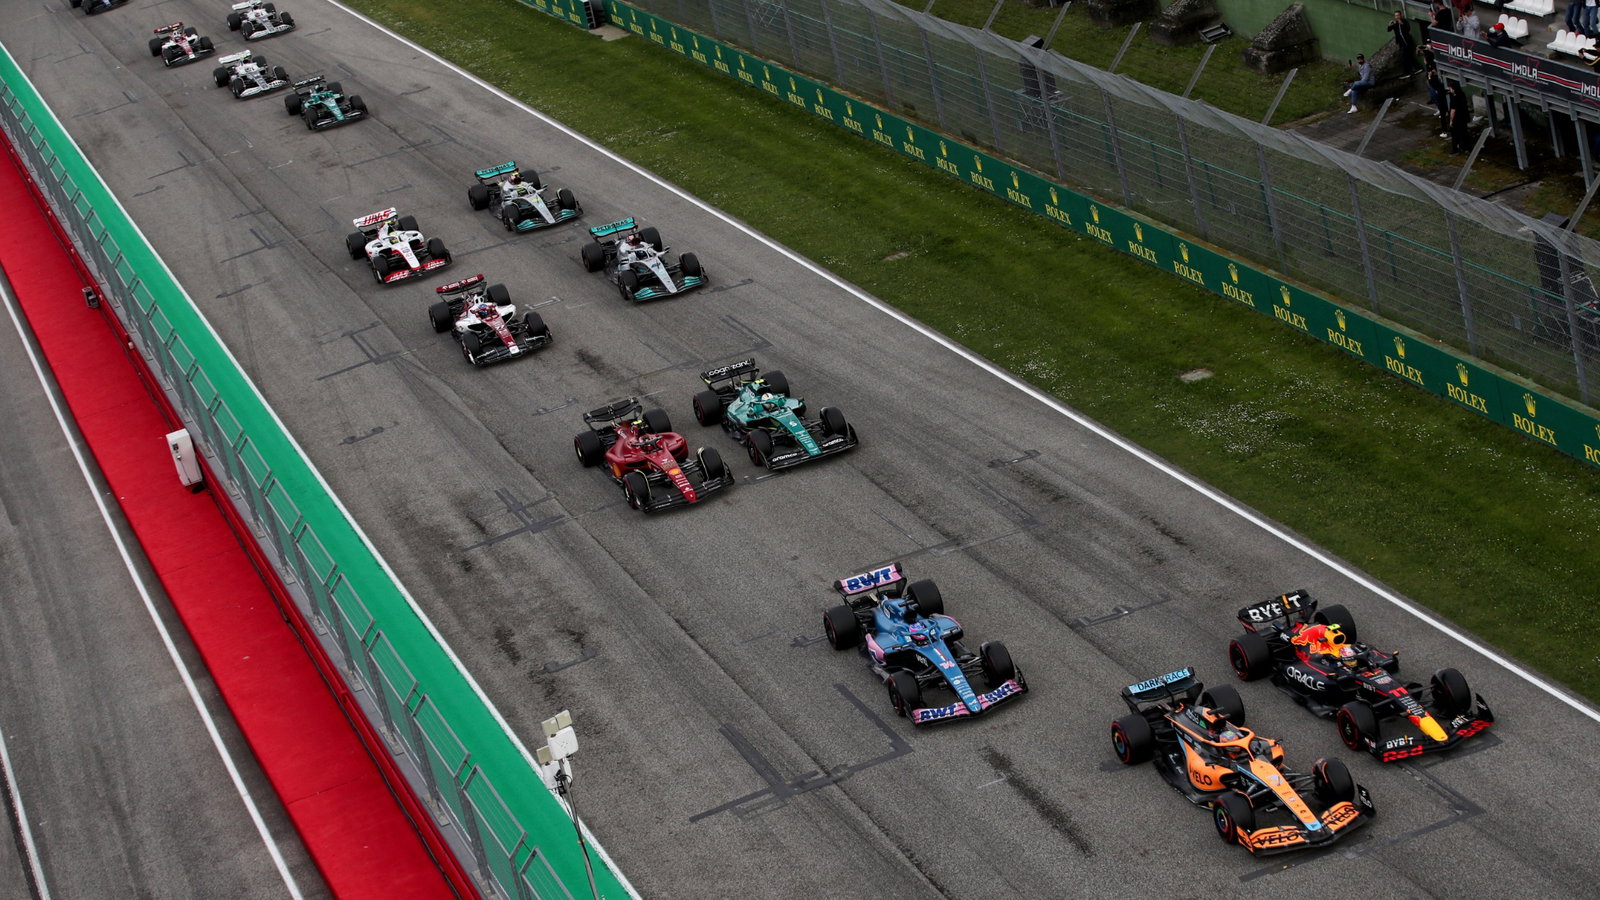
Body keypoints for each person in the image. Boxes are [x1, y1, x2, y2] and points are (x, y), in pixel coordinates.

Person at [1448, 83, 1472, 153]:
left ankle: (1455, 149)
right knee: (1464, 132)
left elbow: (1453, 111)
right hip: (1463, 117)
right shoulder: (1462, 94)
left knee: (1455, 135)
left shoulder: (1454, 98)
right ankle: (1466, 147)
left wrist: (1451, 120)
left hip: (1457, 119)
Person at [1427, 65, 1450, 138]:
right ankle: (1445, 130)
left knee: (1444, 115)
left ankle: (1445, 131)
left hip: (1443, 99)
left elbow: (1432, 83)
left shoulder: (1437, 80)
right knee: (1444, 114)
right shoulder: (1436, 80)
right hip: (1443, 99)